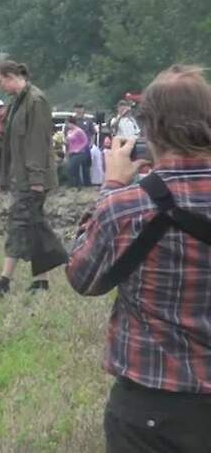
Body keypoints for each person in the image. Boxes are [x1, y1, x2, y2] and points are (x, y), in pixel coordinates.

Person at [67, 65, 211, 452]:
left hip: (150, 400)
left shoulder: (128, 206)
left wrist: (112, 185)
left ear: (150, 129)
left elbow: (83, 277)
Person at [0, 61, 67, 296]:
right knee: (33, 226)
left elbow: (38, 143)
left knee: (18, 224)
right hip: (22, 177)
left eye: (0, 81)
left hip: (31, 179)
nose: (0, 87)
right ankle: (41, 281)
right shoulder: (16, 104)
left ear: (12, 76)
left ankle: (4, 281)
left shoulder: (35, 101)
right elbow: (6, 142)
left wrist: (37, 180)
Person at [72, 102, 96, 186]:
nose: (79, 110)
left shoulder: (88, 120)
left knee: (86, 166)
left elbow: (93, 133)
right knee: (75, 166)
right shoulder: (72, 120)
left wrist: (91, 143)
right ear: (74, 109)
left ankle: (87, 184)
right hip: (74, 147)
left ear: (83, 109)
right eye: (77, 108)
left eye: (80, 108)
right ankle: (76, 185)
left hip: (86, 146)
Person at [64, 117, 90, 187]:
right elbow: (69, 142)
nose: (67, 125)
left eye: (68, 123)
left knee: (73, 166)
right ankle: (74, 184)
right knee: (71, 169)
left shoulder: (79, 131)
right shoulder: (69, 132)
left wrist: (79, 148)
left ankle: (78, 184)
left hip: (79, 152)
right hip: (71, 151)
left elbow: (85, 141)